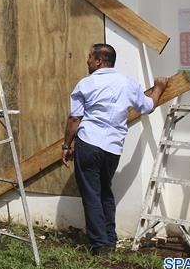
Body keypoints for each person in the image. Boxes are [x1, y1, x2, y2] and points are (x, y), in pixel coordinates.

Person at [61, 43, 168, 255]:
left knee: (92, 194)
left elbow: (75, 118)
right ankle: (109, 239)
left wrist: (66, 145)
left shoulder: (85, 84)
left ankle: (100, 246)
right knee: (105, 193)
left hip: (89, 143)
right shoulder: (129, 83)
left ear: (99, 61)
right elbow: (148, 107)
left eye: (90, 57)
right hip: (112, 149)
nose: (87, 61)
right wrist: (158, 88)